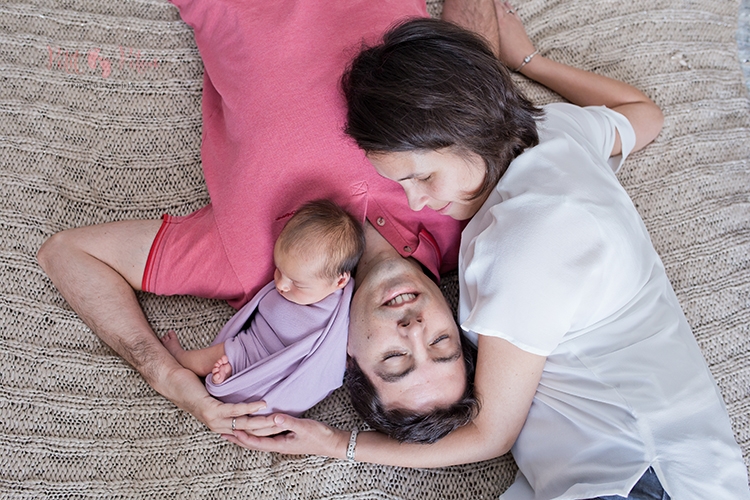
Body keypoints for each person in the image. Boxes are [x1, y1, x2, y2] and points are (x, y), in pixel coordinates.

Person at [228, 7, 750, 499]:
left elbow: (491, 435)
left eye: (422, 176)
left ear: (467, 131)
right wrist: (525, 60)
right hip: (665, 471)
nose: (416, 201)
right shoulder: (553, 132)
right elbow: (643, 115)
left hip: (639, 474)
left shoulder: (519, 247)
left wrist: (337, 444)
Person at [36, 0, 497, 435]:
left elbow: (68, 253)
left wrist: (164, 375)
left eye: (396, 359)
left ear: (349, 357)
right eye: (441, 344)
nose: (415, 330)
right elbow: (475, 78)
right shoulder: (473, 212)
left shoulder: (260, 268)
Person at [159, 200, 363, 416]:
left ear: (339, 282)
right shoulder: (303, 282)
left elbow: (326, 363)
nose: (281, 285)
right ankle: (185, 358)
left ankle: (228, 376)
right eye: (279, 270)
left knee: (237, 372)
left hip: (275, 367)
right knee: (215, 357)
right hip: (250, 343)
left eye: (296, 282)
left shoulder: (340, 312)